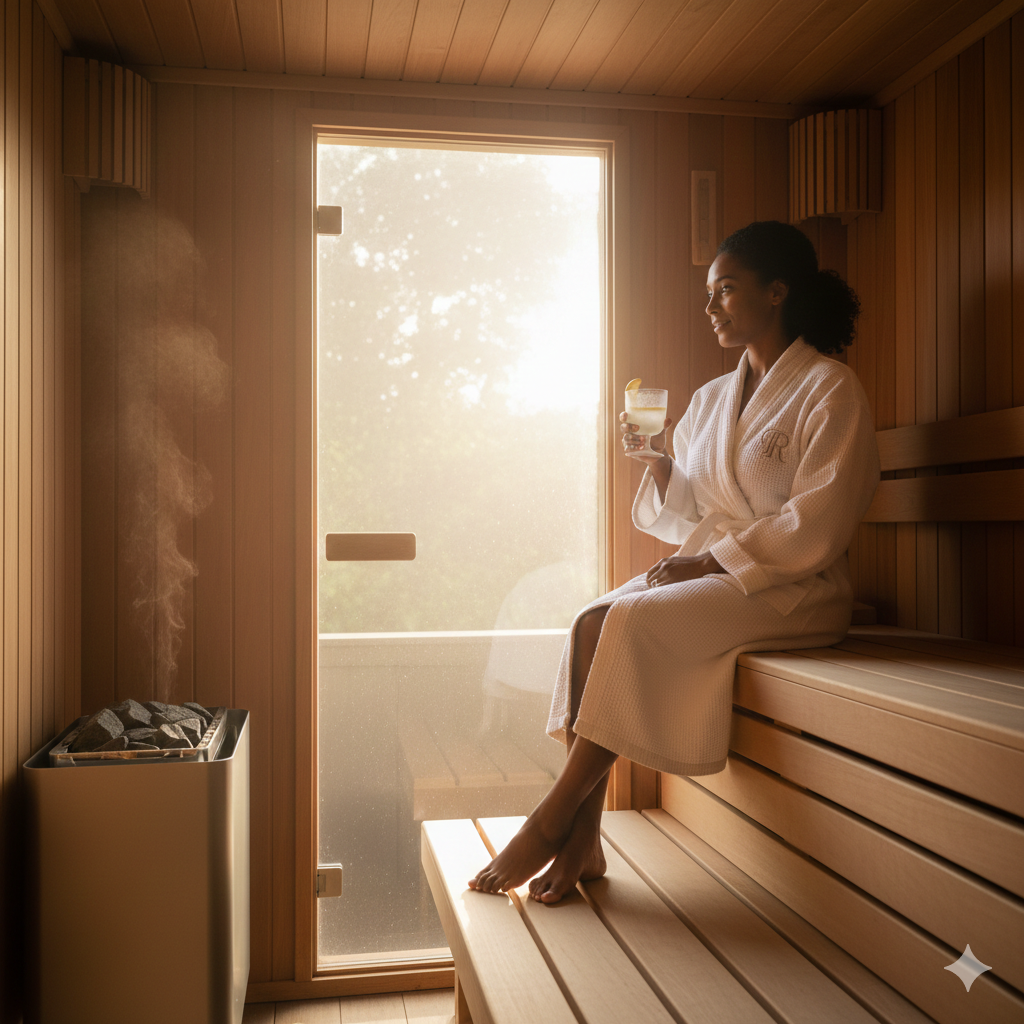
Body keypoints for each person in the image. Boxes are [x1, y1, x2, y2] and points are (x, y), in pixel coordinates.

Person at [468, 220, 880, 904]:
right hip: (726, 572)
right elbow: (691, 509)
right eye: (708, 293)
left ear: (777, 292)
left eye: (725, 290)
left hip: (796, 585)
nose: (711, 306)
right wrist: (662, 467)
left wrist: (715, 561)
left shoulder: (830, 389)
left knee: (633, 622)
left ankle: (552, 820)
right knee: (591, 619)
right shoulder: (715, 397)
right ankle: (584, 838)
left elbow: (821, 519)